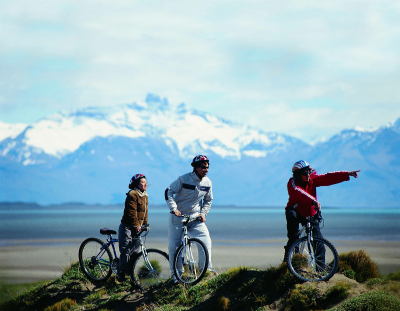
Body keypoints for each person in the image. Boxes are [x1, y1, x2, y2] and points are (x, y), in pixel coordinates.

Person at [284, 160, 360, 261]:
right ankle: (291, 254)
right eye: (304, 173)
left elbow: (327, 178)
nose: (307, 175)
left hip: (310, 213)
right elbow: (299, 192)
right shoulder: (292, 183)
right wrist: (313, 201)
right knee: (292, 227)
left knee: (319, 245)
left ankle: (321, 273)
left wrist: (346, 174)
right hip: (295, 210)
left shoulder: (313, 179)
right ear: (297, 175)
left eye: (308, 171)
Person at [165, 155, 214, 280]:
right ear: (196, 167)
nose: (206, 169)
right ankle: (176, 275)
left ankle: (205, 270)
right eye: (203, 167)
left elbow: (208, 200)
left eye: (207, 167)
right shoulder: (183, 179)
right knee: (174, 247)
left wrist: (203, 213)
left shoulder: (208, 182)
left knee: (206, 241)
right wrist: (173, 209)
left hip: (195, 217)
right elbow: (168, 191)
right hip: (178, 217)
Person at [117, 174, 149, 282]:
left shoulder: (145, 195)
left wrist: (145, 224)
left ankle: (130, 273)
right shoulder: (132, 194)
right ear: (136, 184)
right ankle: (120, 272)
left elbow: (145, 213)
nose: (145, 184)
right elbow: (132, 212)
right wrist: (136, 225)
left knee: (135, 251)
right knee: (126, 249)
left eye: (146, 182)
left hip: (137, 227)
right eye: (142, 182)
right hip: (127, 226)